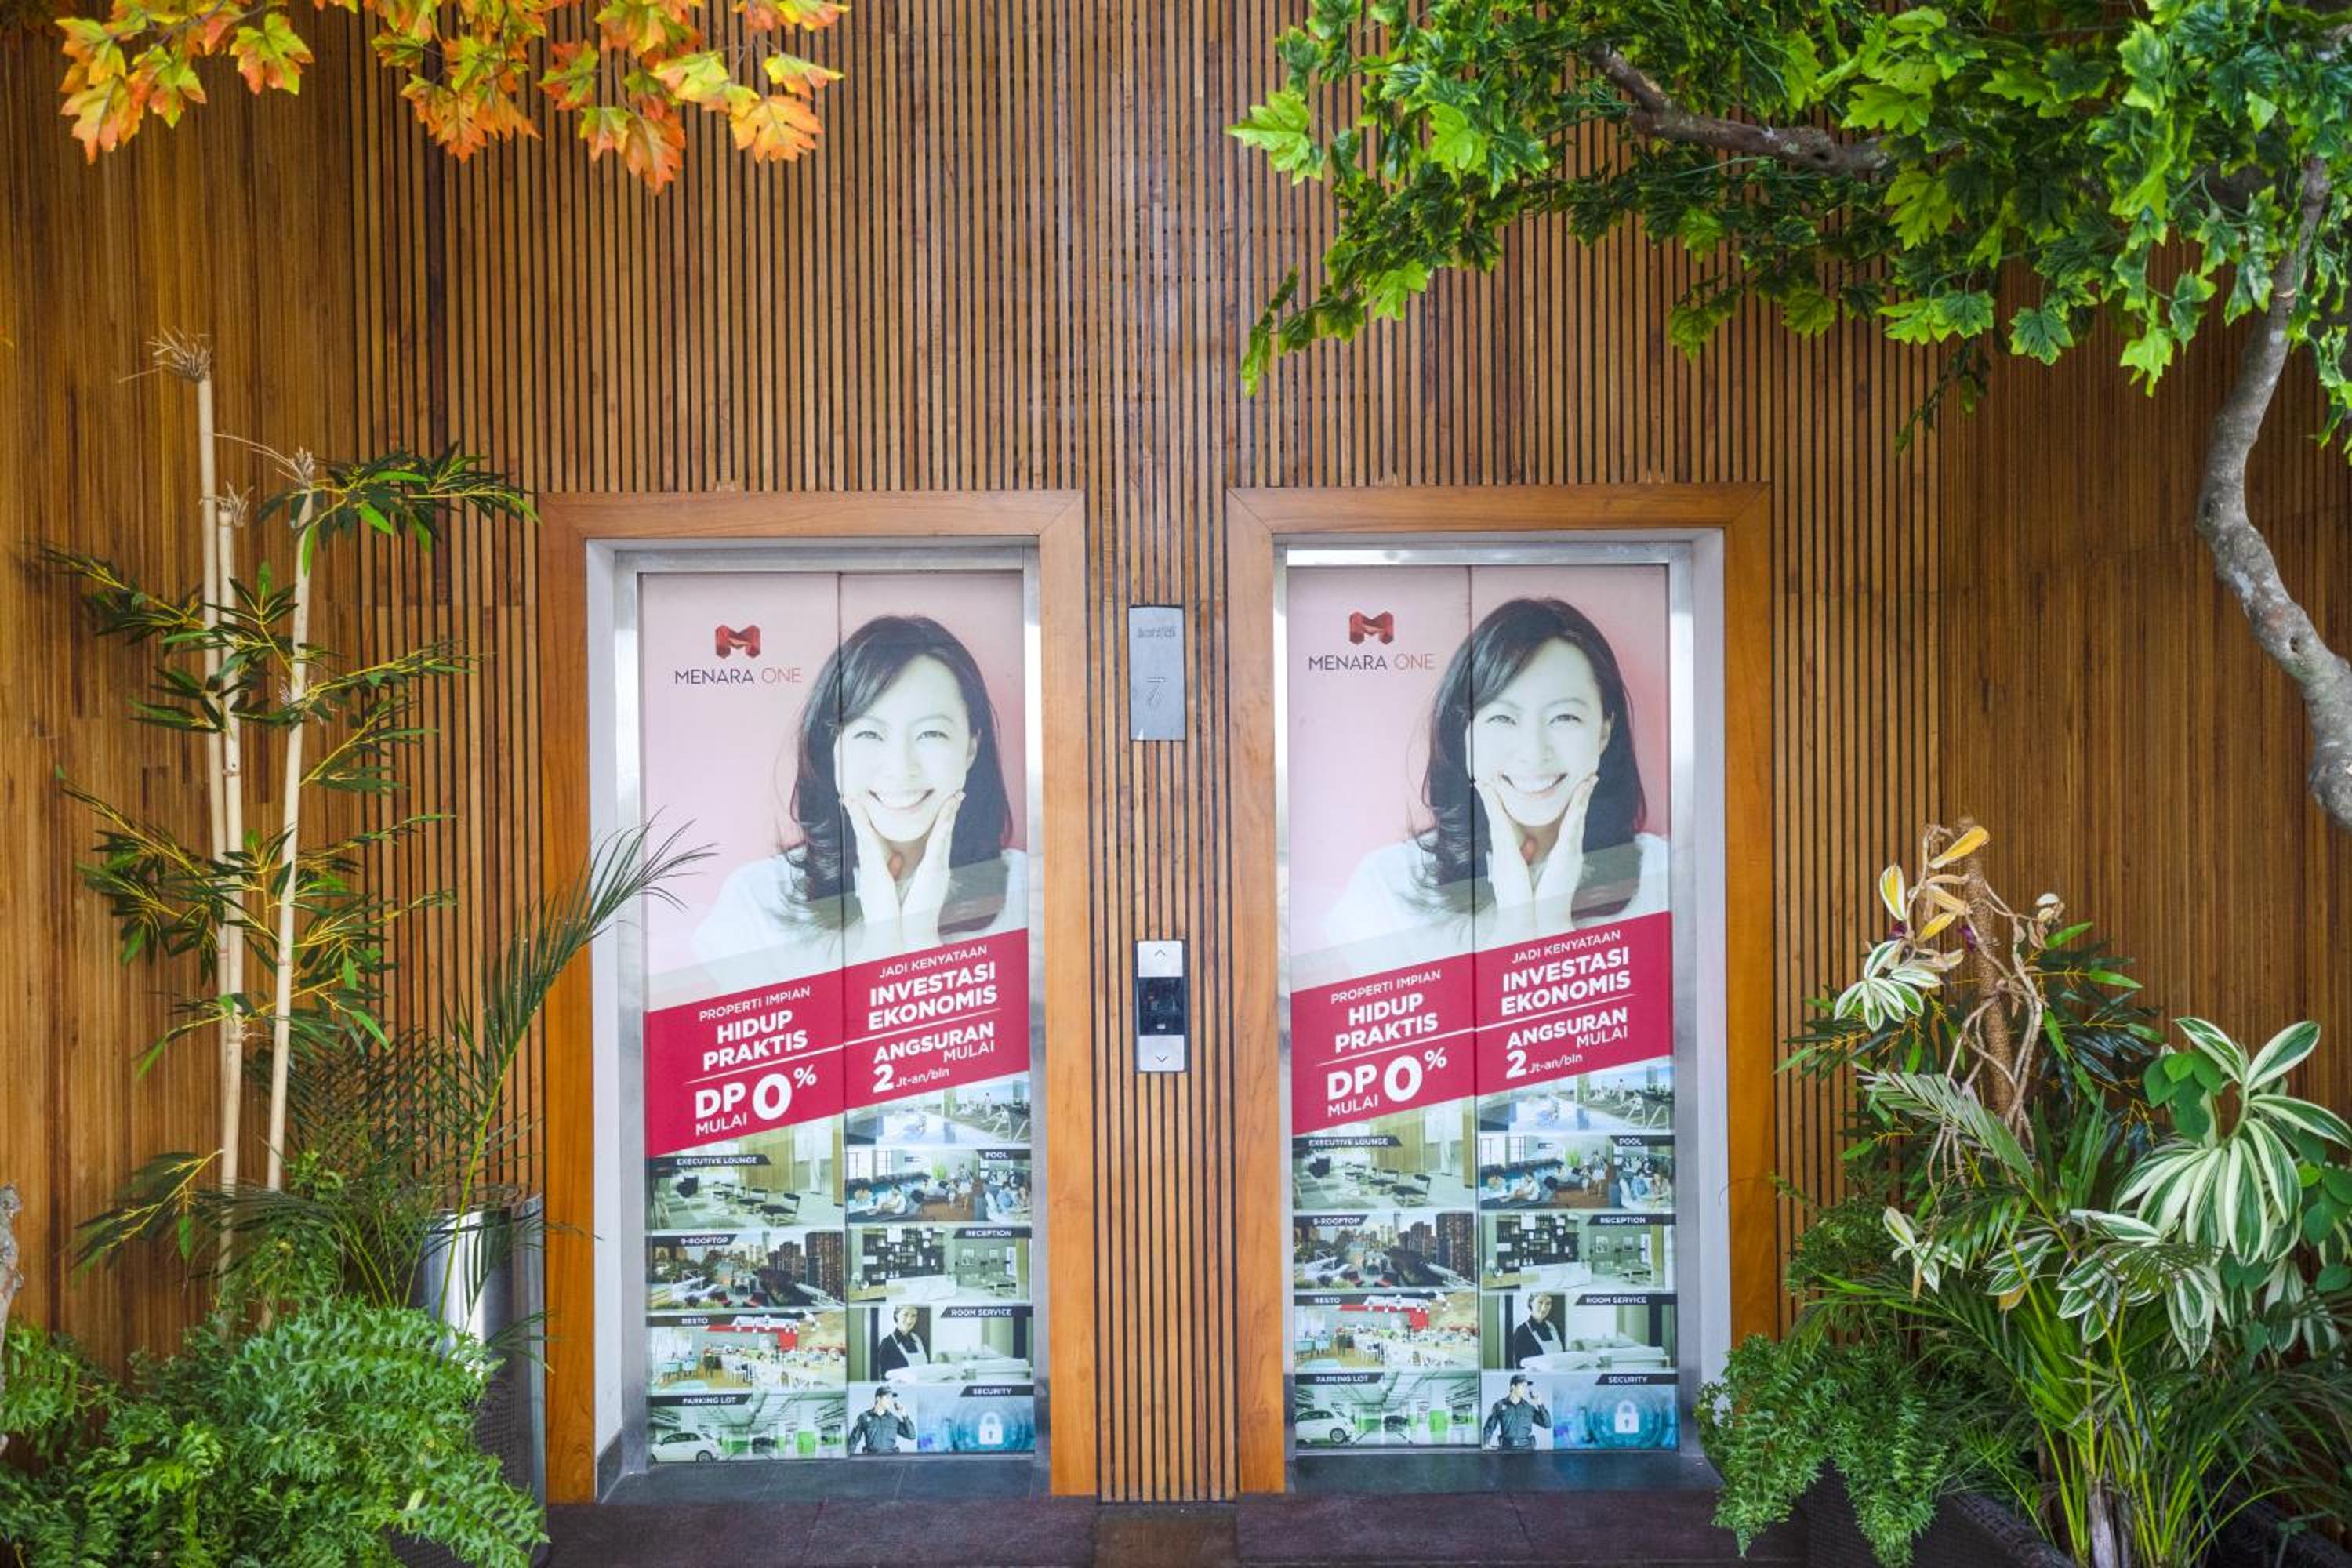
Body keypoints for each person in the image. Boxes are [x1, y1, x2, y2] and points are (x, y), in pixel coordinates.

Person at [1321, 597, 1668, 966]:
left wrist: (1553, 924)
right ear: (1463, 734)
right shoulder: (1388, 888)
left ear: (1604, 732)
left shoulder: (1665, 879)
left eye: (1564, 717)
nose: (1533, 753)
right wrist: (1515, 928)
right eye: (1503, 718)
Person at [695, 615, 1028, 967]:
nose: (900, 768)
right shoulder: (757, 902)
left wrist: (920, 939)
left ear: (971, 748)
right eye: (869, 734)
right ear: (831, 749)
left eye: (931, 733)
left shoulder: (1029, 892)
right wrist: (882, 942)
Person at [1481, 1374, 1552, 1451]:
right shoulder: (1499, 1405)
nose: (1525, 1389)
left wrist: (1539, 1402)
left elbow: (1547, 1424)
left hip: (1527, 1450)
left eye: (1525, 1386)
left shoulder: (1529, 1408)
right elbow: (1489, 1427)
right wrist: (1486, 1443)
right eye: (1522, 1386)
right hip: (1506, 1451)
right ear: (1513, 1387)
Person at [848, 1387, 916, 1455]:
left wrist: (904, 1414)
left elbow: (912, 1435)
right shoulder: (864, 1417)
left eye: (891, 1398)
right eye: (887, 1398)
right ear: (878, 1398)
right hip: (871, 1459)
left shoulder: (893, 1420)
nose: (890, 1401)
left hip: (891, 1458)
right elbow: (853, 1440)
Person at [1506, 1292, 1566, 1367]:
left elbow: (1563, 1358)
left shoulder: (1555, 1328)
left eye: (1548, 1303)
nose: (1544, 1308)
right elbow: (1520, 1366)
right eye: (1540, 1302)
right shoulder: (1522, 1332)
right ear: (1531, 1303)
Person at [872, 1305, 930, 1377]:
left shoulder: (920, 1340)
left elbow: (927, 1368)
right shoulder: (887, 1344)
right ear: (897, 1315)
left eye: (914, 1316)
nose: (909, 1320)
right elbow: (885, 1376)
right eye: (906, 1315)